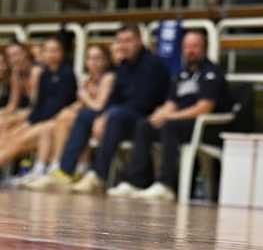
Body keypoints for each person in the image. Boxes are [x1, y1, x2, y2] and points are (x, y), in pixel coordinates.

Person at [107, 30, 232, 203]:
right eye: (187, 47)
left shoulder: (212, 73)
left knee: (169, 126)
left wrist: (171, 117)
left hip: (204, 127)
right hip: (179, 122)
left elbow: (204, 107)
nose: (190, 51)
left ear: (204, 48)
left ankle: (166, 185)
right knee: (145, 125)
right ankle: (136, 182)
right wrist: (160, 114)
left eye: (195, 46)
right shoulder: (181, 75)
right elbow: (171, 103)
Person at [42, 24, 169, 194]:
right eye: (120, 41)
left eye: (128, 41)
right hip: (121, 115)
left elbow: (143, 103)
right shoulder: (124, 65)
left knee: (115, 115)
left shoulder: (153, 64)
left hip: (145, 120)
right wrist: (101, 116)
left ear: (139, 41)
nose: (123, 45)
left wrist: (106, 116)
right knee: (85, 116)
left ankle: (98, 176)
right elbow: (113, 98)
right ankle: (65, 171)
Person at [26, 44, 115, 190]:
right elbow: (80, 103)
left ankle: (62, 166)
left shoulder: (108, 78)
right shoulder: (87, 80)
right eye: (90, 58)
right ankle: (57, 166)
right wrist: (69, 109)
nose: (93, 62)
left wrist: (84, 97)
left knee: (68, 120)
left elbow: (99, 106)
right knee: (61, 118)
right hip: (86, 117)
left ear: (106, 61)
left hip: (103, 118)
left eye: (98, 58)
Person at [0, 37, 77, 184]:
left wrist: (31, 123)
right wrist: (29, 123)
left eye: (54, 50)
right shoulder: (45, 74)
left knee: (18, 140)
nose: (50, 54)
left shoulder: (66, 73)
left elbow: (58, 106)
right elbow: (39, 106)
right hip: (43, 119)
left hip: (56, 121)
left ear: (62, 53)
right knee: (12, 135)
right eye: (47, 51)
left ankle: (38, 170)